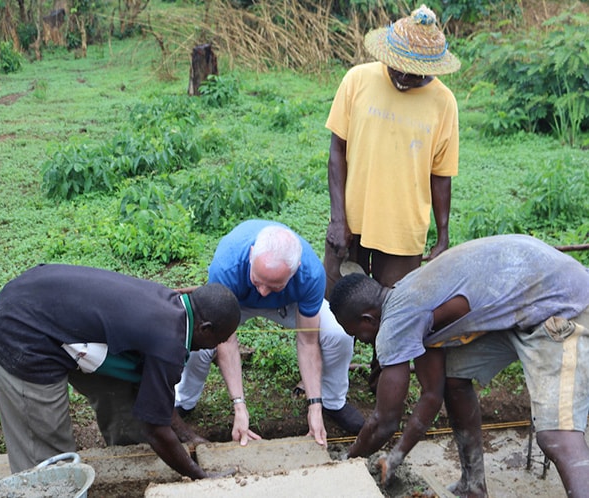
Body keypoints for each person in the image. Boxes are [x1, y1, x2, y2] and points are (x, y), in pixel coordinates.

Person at [328, 234, 589, 497]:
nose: (358, 342)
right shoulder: (409, 300)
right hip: (524, 298)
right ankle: (473, 486)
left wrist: (348, 462)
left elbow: (384, 421)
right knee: (454, 377)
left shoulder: (394, 324)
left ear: (368, 319)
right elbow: (432, 395)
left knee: (556, 437)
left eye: (355, 333)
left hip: (563, 304)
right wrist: (396, 457)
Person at [0, 263, 241, 479]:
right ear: (205, 328)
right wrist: (202, 477)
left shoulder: (173, 309)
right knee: (49, 453)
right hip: (20, 329)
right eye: (218, 340)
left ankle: (129, 467)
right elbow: (156, 429)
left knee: (121, 391)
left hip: (51, 306)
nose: (216, 347)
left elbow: (155, 399)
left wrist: (188, 437)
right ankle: (44, 485)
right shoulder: (169, 343)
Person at [324, 4, 461, 391]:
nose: (403, 75)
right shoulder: (357, 80)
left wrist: (443, 234)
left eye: (413, 70)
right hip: (351, 221)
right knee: (336, 301)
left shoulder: (443, 102)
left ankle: (382, 376)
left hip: (403, 228)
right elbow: (337, 151)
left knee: (393, 311)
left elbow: (441, 174)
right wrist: (338, 218)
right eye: (397, 65)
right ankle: (327, 377)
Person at [174, 219, 364, 446]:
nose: (263, 292)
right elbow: (226, 342)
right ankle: (184, 401)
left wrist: (315, 404)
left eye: (272, 285)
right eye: (258, 280)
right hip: (235, 301)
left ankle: (332, 403)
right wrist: (239, 405)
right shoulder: (227, 265)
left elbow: (308, 341)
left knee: (338, 335)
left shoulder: (310, 274)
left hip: (286, 303)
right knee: (200, 342)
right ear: (252, 255)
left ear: (294, 271)